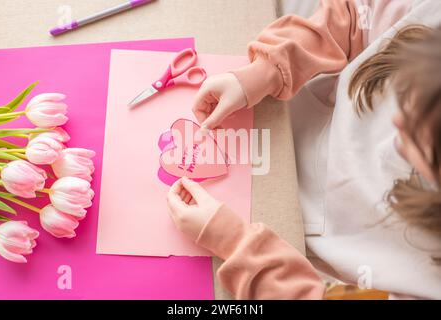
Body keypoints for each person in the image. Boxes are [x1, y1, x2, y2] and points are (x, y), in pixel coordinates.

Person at [166, 0, 441, 299]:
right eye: (402, 96)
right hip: (283, 116)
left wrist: (236, 245)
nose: (396, 119)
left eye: (416, 139)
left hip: (291, 249)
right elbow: (355, 15)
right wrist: (268, 69)